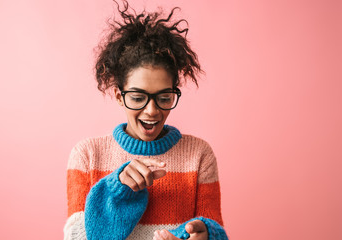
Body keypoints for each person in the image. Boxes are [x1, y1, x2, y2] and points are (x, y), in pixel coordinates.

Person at [63, 1, 228, 239]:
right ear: (120, 96)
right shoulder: (87, 156)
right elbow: (76, 237)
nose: (151, 111)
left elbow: (215, 230)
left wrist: (207, 235)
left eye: (163, 97)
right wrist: (115, 192)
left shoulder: (199, 155)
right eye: (138, 97)